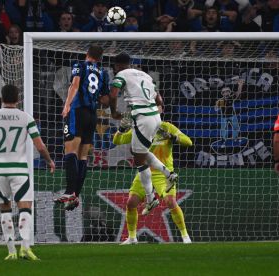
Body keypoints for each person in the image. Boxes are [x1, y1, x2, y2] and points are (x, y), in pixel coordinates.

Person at [0, 84, 55, 261]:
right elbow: (40, 146)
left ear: (1, 98)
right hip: (19, 169)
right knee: (25, 206)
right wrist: (49, 161)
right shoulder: (25, 117)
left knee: (4, 208)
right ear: (18, 99)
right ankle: (25, 247)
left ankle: (11, 252)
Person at [110, 52, 178, 215]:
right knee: (138, 151)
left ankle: (150, 198)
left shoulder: (121, 74)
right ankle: (168, 174)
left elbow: (113, 94)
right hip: (153, 116)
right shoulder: (145, 75)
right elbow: (160, 101)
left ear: (117, 65)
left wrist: (114, 112)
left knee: (140, 161)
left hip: (143, 118)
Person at [54, 44, 117, 211]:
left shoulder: (79, 65)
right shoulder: (103, 73)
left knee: (70, 151)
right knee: (83, 156)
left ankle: (69, 192)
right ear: (100, 58)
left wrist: (67, 105)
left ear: (87, 54)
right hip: (92, 115)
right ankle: (75, 195)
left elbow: (74, 85)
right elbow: (105, 100)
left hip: (77, 111)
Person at [113, 120, 193, 244]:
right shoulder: (139, 128)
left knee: (170, 201)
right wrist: (121, 129)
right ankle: (132, 238)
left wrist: (172, 137)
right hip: (144, 172)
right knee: (131, 202)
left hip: (163, 174)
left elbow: (188, 142)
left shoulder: (166, 127)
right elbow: (117, 141)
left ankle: (185, 236)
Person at [214, 79, 244, 147]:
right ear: (222, 93)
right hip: (224, 117)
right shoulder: (221, 101)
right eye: (224, 92)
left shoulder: (231, 97)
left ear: (229, 92)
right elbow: (216, 109)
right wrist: (216, 105)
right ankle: (223, 141)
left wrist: (240, 85)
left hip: (232, 115)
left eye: (227, 92)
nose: (226, 93)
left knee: (236, 127)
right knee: (223, 129)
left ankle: (235, 139)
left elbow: (238, 92)